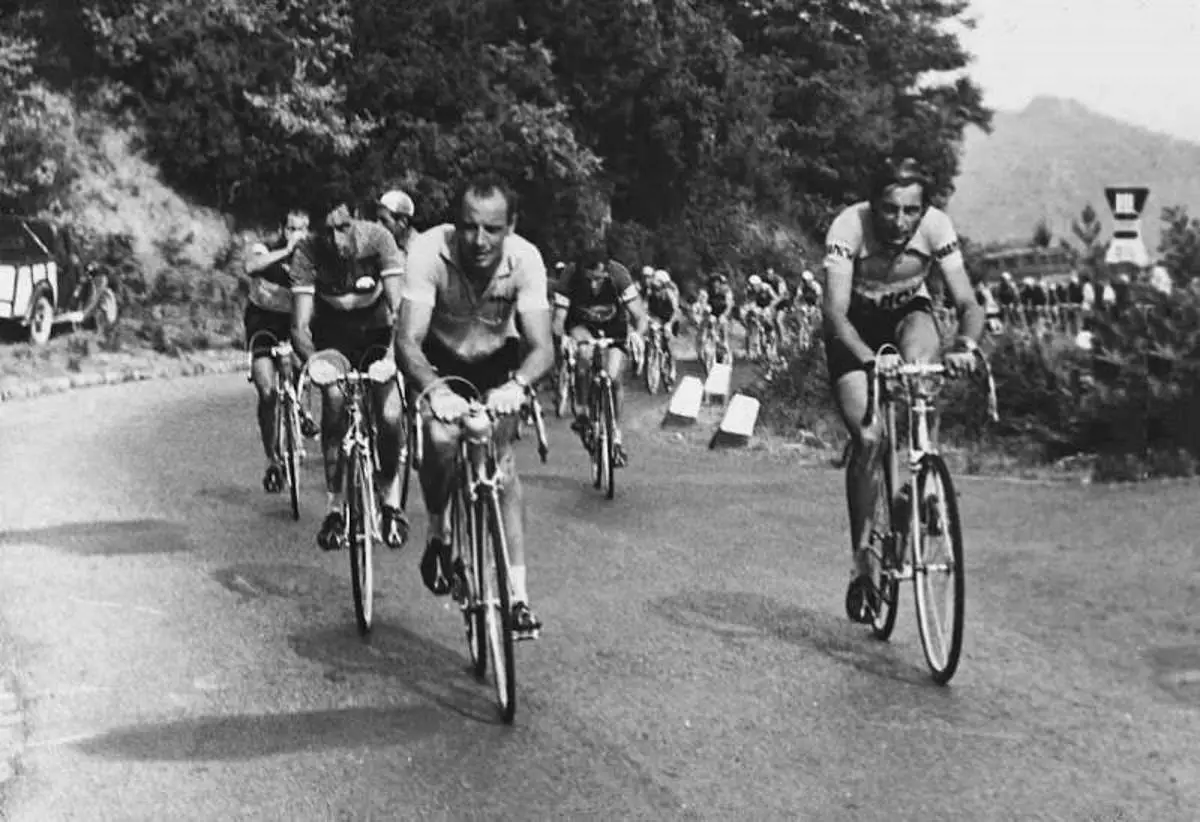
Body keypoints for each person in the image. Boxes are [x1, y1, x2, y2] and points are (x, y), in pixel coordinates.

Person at [822, 156, 984, 624]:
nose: (900, 221)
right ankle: (863, 562)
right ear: (873, 205)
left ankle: (924, 471)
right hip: (853, 328)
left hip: (907, 313)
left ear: (924, 209)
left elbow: (967, 302)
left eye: (910, 211)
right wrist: (870, 359)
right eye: (890, 210)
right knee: (870, 439)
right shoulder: (847, 227)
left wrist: (966, 346)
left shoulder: (936, 227)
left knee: (922, 367)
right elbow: (834, 313)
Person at [395, 172, 554, 639]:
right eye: (469, 227)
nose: (479, 240)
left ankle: (518, 598)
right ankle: (439, 533)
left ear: (510, 227)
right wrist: (436, 390)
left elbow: (542, 346)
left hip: (497, 360)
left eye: (492, 229)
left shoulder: (526, 259)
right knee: (442, 440)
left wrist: (519, 386)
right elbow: (407, 340)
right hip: (439, 358)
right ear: (455, 223)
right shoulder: (426, 250)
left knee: (501, 465)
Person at [289, 193, 410, 552]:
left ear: (355, 219)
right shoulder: (308, 252)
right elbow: (299, 326)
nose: (336, 240)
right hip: (333, 341)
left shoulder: (379, 240)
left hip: (376, 337)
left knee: (389, 416)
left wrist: (391, 357)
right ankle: (335, 508)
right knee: (335, 402)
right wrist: (314, 363)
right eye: (327, 232)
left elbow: (400, 310)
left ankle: (390, 500)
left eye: (343, 228)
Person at [553, 246, 649, 467]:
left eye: (599, 278)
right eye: (590, 279)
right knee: (584, 354)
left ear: (607, 271)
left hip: (614, 327)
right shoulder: (569, 276)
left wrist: (637, 335)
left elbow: (639, 315)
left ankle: (615, 432)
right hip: (580, 325)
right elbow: (559, 318)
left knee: (614, 378)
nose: (595, 284)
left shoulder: (619, 275)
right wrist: (564, 339)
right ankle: (583, 412)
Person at [244, 209, 315, 493]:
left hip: (292, 323)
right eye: (291, 228)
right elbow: (251, 266)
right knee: (267, 392)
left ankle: (301, 410)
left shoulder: (310, 257)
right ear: (282, 229)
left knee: (304, 367)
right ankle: (273, 460)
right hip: (262, 323)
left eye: (302, 229)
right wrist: (285, 251)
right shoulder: (266, 248)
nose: (297, 234)